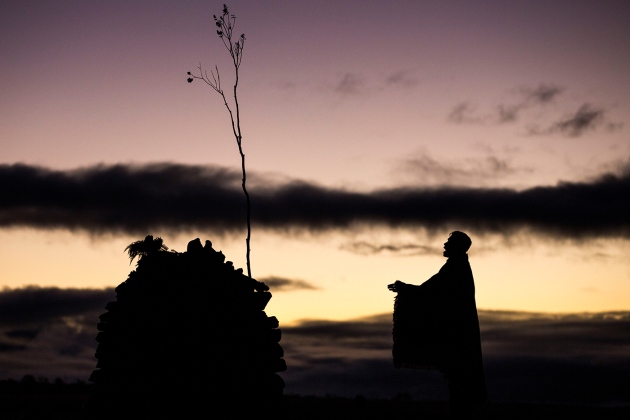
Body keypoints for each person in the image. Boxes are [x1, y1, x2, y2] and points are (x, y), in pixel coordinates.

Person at [388, 231, 487, 417]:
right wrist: (406, 289)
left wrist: (405, 289)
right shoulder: (456, 267)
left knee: (459, 387)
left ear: (457, 246)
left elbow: (430, 292)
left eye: (448, 242)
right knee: (457, 385)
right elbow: (432, 291)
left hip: (459, 339)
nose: (444, 245)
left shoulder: (456, 268)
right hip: (460, 337)